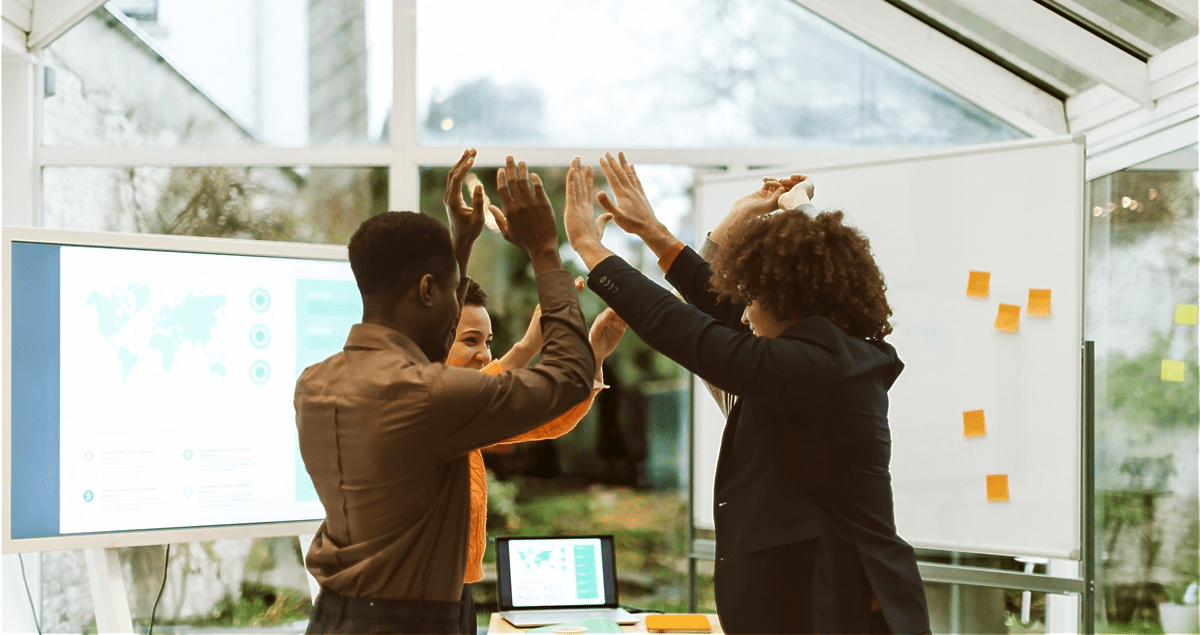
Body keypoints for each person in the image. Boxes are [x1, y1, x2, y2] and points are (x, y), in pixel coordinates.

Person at [563, 153, 930, 635]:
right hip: (818, 600)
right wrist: (653, 232)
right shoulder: (827, 357)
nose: (742, 312)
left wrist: (590, 248)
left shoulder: (816, 369)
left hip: (836, 607)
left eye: (752, 296)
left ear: (783, 300)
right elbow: (716, 305)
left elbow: (690, 332)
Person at [295, 151, 594, 635]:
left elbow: (418, 361)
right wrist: (544, 251)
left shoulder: (314, 382)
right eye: (453, 294)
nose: (457, 313)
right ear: (430, 291)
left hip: (331, 619)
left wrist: (459, 243)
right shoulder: (429, 397)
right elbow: (570, 378)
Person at [445, 278, 627, 591]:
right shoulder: (425, 414)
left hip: (454, 592)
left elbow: (546, 418)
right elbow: (481, 403)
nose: (485, 355)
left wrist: (595, 354)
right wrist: (528, 346)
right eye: (470, 340)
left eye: (488, 342)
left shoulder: (464, 423)